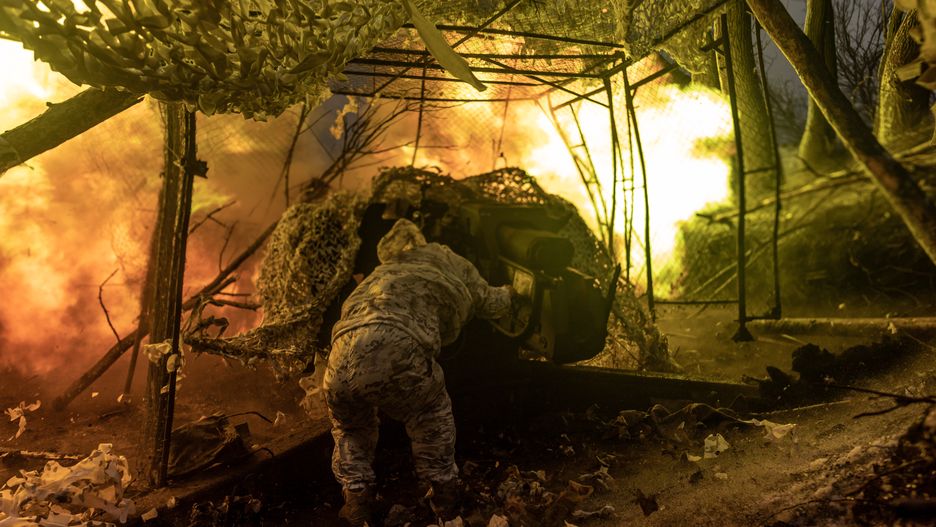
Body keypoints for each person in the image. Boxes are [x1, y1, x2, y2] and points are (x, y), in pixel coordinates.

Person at [323, 218, 514, 526]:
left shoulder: (381, 270)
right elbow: (490, 303)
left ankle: (356, 503)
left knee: (351, 429)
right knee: (430, 414)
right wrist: (515, 292)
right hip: (394, 344)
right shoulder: (446, 258)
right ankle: (446, 502)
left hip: (340, 354)